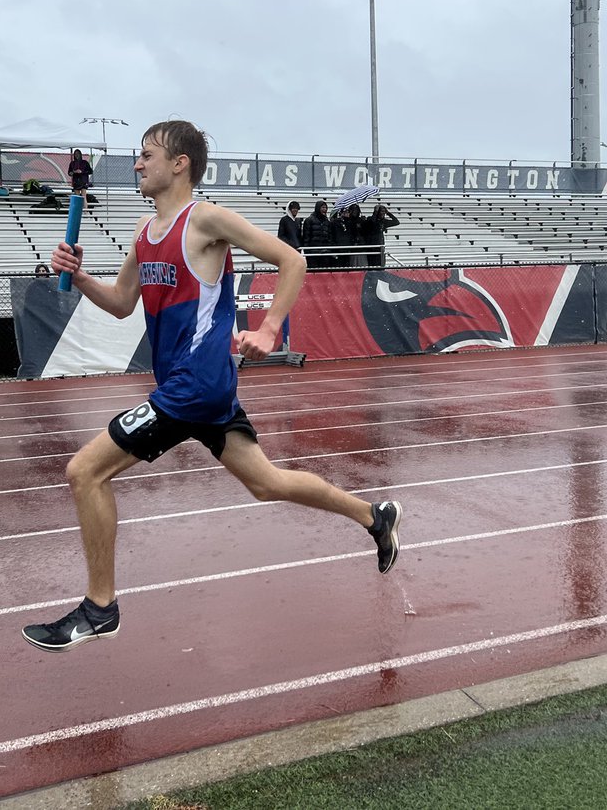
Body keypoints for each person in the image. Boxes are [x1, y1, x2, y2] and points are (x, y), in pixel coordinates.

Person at [21, 120, 404, 652]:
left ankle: (99, 608)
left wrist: (269, 328)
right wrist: (82, 277)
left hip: (194, 386)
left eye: (147, 154)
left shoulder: (204, 219)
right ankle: (374, 516)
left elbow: (292, 259)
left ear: (180, 164)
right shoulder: (143, 231)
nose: (137, 163)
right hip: (198, 387)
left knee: (84, 472)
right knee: (266, 483)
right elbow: (123, 304)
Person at [301, 199, 335, 268]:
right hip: (313, 253)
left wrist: (329, 250)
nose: (325, 209)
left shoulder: (327, 222)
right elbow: (306, 238)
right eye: (323, 207)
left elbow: (330, 236)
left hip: (325, 252)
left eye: (326, 208)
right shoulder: (309, 220)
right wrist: (307, 252)